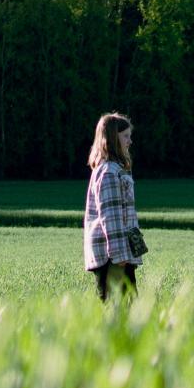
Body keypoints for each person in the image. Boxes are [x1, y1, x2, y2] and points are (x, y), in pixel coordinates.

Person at [83, 112, 142, 301]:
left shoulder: (116, 169)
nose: (129, 141)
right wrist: (120, 255)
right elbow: (111, 217)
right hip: (113, 257)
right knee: (119, 308)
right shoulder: (109, 172)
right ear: (112, 138)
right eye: (125, 136)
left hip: (119, 254)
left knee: (127, 307)